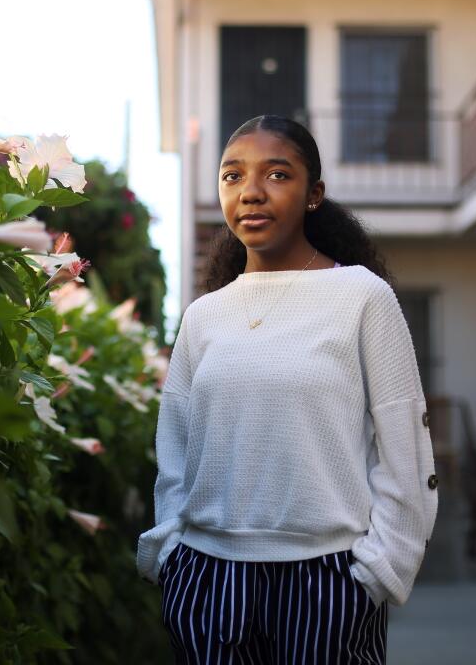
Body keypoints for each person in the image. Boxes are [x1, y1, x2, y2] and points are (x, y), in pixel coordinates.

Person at [136, 114, 439, 664]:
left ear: (314, 193)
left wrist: (378, 573)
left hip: (329, 581)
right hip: (209, 579)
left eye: (277, 175)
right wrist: (171, 555)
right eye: (232, 176)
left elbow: (404, 445)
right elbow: (175, 448)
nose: (250, 192)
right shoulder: (204, 316)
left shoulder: (362, 297)